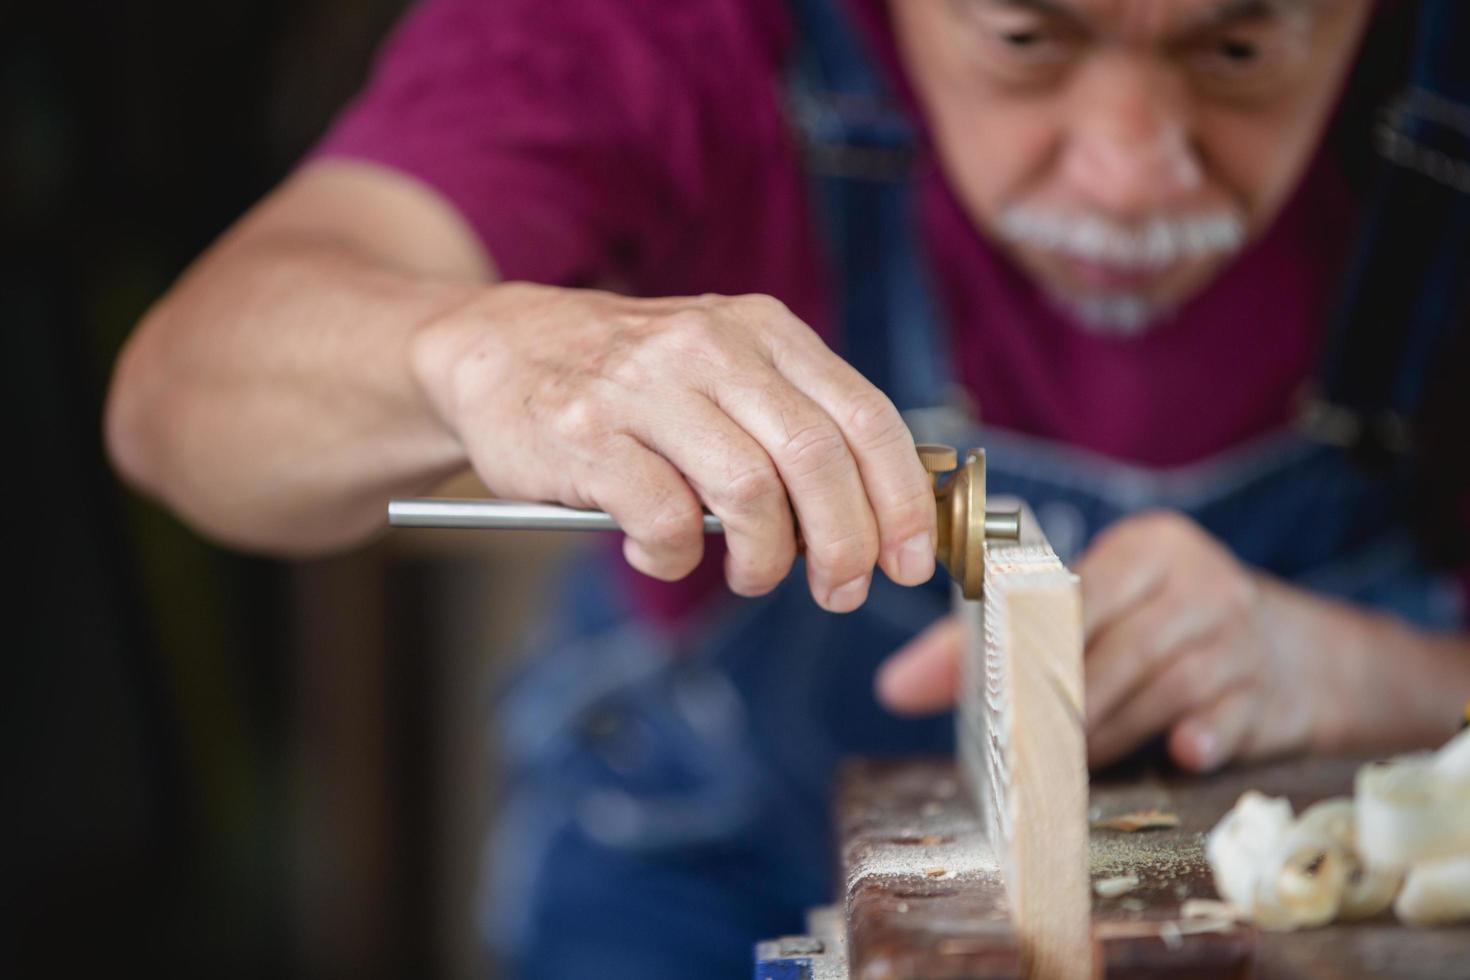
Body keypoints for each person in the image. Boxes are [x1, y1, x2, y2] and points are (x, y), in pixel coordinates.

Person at [105, 0, 1470, 975]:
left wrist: (1394, 683)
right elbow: (175, 411)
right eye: (1022, 37)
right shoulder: (664, 28)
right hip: (704, 872)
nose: (1124, 170)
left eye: (1238, 47)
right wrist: (473, 348)